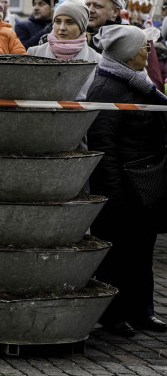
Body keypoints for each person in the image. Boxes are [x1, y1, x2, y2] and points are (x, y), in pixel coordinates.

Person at [86, 25, 167, 337]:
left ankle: (141, 311)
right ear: (128, 53)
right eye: (144, 47)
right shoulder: (106, 89)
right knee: (118, 255)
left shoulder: (137, 81)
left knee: (141, 253)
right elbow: (102, 145)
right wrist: (114, 192)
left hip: (144, 184)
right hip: (123, 186)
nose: (149, 52)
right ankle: (114, 315)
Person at [83, 0, 163, 89]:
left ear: (115, 12)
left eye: (97, 6)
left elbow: (155, 84)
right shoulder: (78, 37)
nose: (90, 10)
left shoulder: (139, 38)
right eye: (87, 4)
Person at [26, 0, 101, 98]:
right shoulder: (34, 53)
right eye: (57, 21)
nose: (62, 27)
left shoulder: (97, 60)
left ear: (81, 27)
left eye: (69, 22)